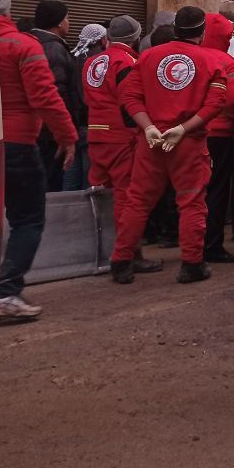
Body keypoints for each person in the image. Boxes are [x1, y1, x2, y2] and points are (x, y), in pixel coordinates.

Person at [113, 7, 228, 284]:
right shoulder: (212, 61)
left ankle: (121, 260)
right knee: (191, 203)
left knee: (138, 200)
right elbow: (216, 104)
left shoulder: (147, 57)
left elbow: (128, 95)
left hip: (150, 141)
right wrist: (183, 129)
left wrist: (148, 126)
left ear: (175, 29)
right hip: (188, 143)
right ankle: (191, 264)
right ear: (201, 33)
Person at [0, 0, 77, 321]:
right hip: (17, 144)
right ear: (6, 11)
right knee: (27, 219)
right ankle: (5, 293)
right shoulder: (22, 45)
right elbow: (46, 98)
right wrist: (67, 138)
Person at [82, 15, 164, 279]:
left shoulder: (91, 61)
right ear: (136, 38)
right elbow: (130, 102)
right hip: (120, 136)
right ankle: (128, 255)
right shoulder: (127, 62)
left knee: (100, 196)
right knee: (127, 198)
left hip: (95, 134)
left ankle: (99, 252)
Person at [202, 13, 234, 264]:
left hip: (182, 132)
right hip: (219, 135)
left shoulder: (186, 56)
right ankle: (211, 245)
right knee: (217, 191)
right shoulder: (228, 63)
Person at [31, 0, 84, 192]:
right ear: (59, 22)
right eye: (67, 18)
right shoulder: (54, 49)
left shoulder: (31, 42)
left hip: (34, 128)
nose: (69, 23)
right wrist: (65, 130)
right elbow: (56, 93)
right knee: (50, 182)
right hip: (49, 133)